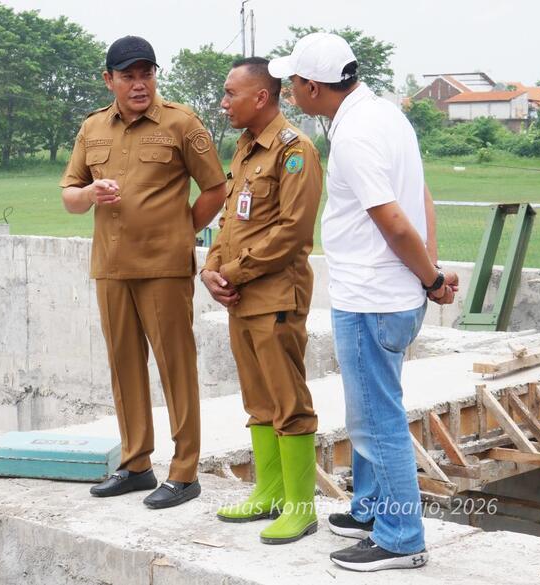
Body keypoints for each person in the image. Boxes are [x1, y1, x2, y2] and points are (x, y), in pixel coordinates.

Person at [269, 33, 459, 571]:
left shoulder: (353, 135)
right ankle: (372, 508)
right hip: (393, 293)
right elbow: (421, 197)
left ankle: (401, 537)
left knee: (377, 420)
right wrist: (430, 273)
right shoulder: (387, 115)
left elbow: (394, 221)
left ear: (313, 86)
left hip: (373, 298)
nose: (289, 91)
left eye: (293, 82)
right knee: (373, 410)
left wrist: (429, 278)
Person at [59, 36, 227, 509]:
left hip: (164, 268)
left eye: (146, 74)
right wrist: (90, 194)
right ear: (108, 79)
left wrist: (180, 230)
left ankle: (185, 472)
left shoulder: (181, 122)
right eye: (128, 76)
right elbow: (70, 196)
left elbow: (215, 188)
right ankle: (136, 464)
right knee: (124, 365)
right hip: (111, 267)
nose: (139, 84)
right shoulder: (93, 127)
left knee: (176, 366)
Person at [200, 57, 322, 545]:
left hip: (275, 297)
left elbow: (292, 231)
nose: (224, 102)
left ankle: (300, 508)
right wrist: (210, 268)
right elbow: (231, 219)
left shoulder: (295, 151)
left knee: (289, 403)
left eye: (231, 93)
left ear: (261, 97)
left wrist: (231, 272)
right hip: (241, 299)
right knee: (258, 402)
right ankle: (269, 493)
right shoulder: (246, 149)